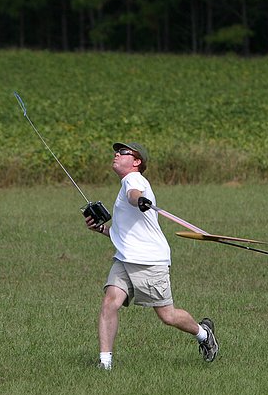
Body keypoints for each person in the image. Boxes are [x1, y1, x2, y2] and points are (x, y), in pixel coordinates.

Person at [85, 141, 218, 370]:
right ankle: (105, 363)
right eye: (116, 152)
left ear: (136, 162)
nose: (117, 154)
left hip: (149, 261)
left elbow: (133, 195)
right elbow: (125, 233)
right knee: (109, 303)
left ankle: (203, 334)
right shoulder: (126, 184)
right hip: (125, 259)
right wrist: (102, 230)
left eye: (123, 152)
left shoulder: (133, 180)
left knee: (167, 315)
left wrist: (139, 200)